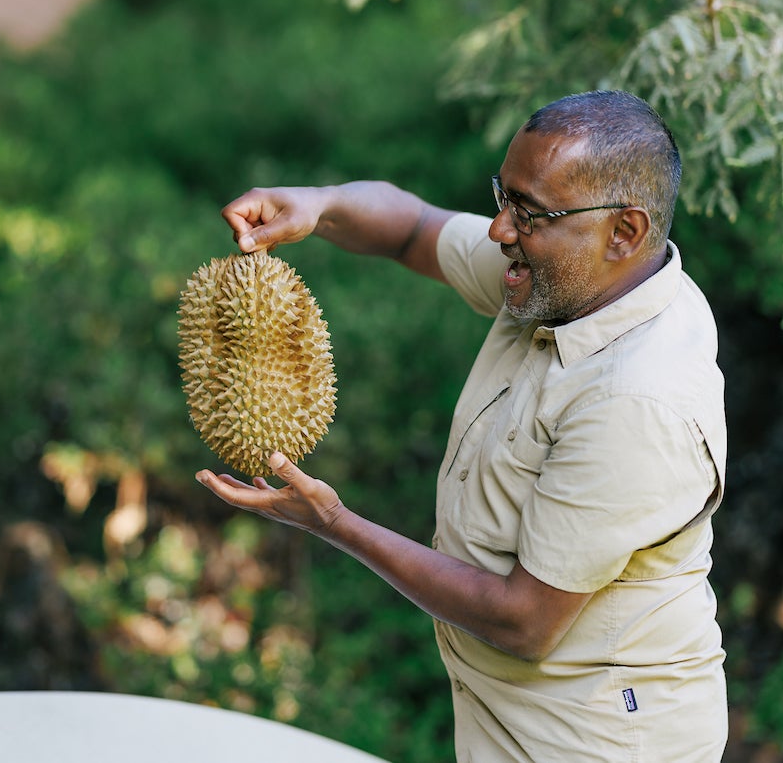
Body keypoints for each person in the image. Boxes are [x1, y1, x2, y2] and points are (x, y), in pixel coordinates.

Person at [195, 90, 728, 762]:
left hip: (598, 742)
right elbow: (413, 228)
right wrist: (317, 204)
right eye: (502, 199)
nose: (501, 229)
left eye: (528, 213)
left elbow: (525, 619)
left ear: (624, 232)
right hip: (508, 715)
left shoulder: (637, 402)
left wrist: (333, 523)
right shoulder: (561, 277)